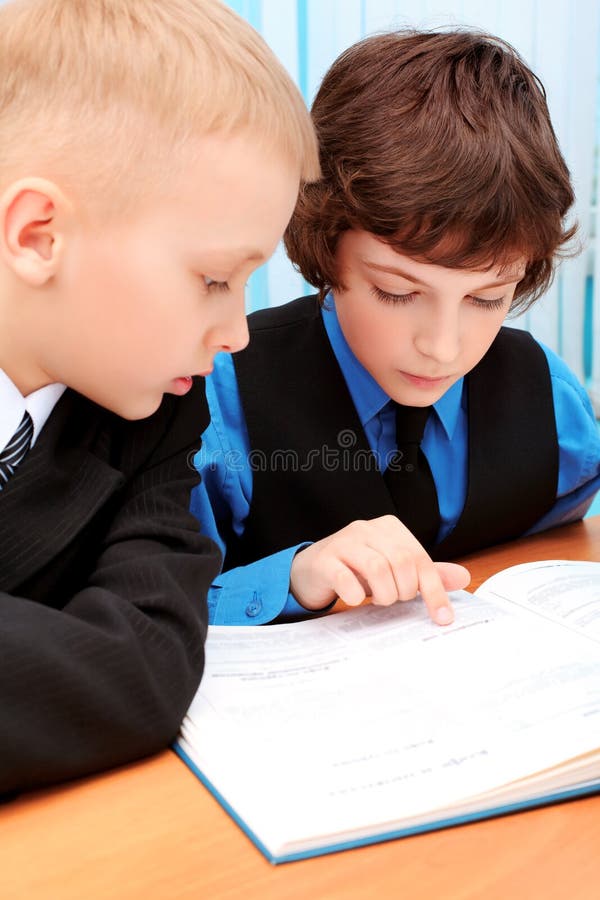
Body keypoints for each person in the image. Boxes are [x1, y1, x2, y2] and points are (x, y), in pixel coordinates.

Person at [0, 0, 319, 795]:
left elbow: (148, 666)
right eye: (214, 279)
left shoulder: (159, 416)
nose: (238, 332)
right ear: (40, 235)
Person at [192, 29, 600, 629]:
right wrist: (296, 578)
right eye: (397, 291)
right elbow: (148, 611)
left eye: (488, 299)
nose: (443, 346)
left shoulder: (551, 397)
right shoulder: (220, 399)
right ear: (325, 248)